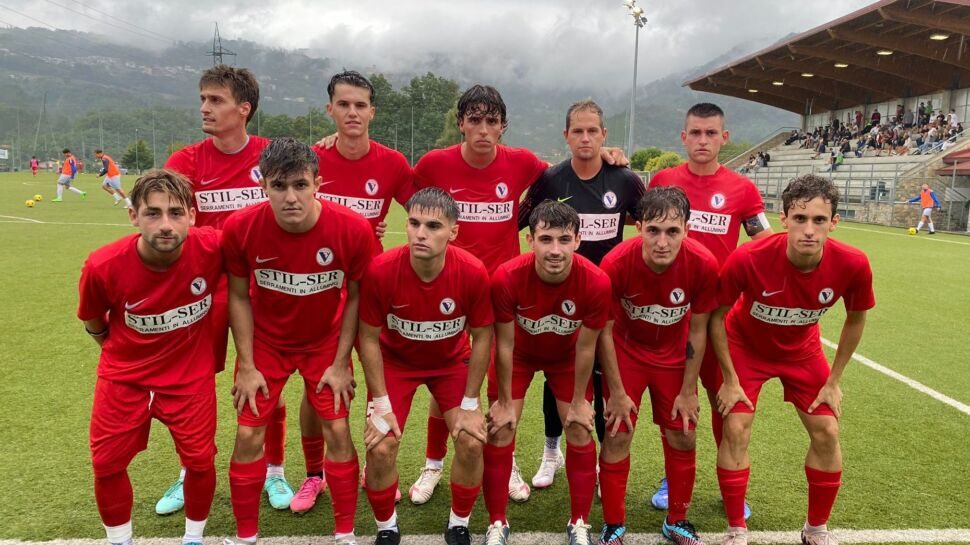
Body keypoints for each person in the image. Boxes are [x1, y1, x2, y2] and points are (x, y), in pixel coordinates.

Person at [222, 138, 372, 545]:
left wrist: (341, 363)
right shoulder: (240, 227)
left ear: (318, 184)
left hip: (325, 341)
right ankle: (246, 536)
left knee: (338, 430)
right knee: (249, 433)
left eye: (300, 185)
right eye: (279, 186)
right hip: (266, 344)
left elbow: (356, 296)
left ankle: (344, 533)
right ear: (262, 186)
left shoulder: (352, 229)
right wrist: (247, 365)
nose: (291, 197)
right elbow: (238, 295)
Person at [161, 65, 296, 514]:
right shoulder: (186, 162)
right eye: (203, 99)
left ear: (244, 108)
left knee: (263, 385)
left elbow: (308, 183)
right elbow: (173, 225)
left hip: (264, 291)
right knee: (192, 386)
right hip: (201, 292)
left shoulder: (271, 155)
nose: (205, 107)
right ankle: (189, 471)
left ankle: (274, 472)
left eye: (216, 100)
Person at [712, 174, 875, 545]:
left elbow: (857, 317)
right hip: (746, 348)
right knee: (736, 427)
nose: (809, 230)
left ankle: (815, 529)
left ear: (834, 222)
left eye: (819, 220)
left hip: (802, 352)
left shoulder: (852, 263)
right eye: (800, 219)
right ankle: (737, 530)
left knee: (828, 431)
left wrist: (834, 381)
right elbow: (716, 315)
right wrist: (729, 377)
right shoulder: (749, 257)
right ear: (783, 218)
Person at [291, 70, 416, 513]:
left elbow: (425, 207)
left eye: (360, 105)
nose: (352, 113)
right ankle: (313, 474)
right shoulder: (313, 160)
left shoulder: (393, 163)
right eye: (343, 105)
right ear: (330, 109)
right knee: (317, 386)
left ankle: (375, 467)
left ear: (372, 112)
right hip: (321, 289)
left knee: (379, 380)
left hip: (372, 289)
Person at [78, 170, 222, 545]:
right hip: (124, 378)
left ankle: (194, 538)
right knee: (106, 464)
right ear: (133, 216)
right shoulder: (102, 265)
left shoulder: (213, 248)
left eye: (176, 213)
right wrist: (121, 353)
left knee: (200, 462)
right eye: (152, 213)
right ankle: (119, 540)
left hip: (189, 380)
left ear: (192, 215)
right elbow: (94, 320)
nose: (165, 225)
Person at [648, 102, 772, 516]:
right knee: (676, 404)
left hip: (721, 320)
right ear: (683, 138)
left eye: (711, 133)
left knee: (724, 402)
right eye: (695, 133)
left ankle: (729, 482)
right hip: (672, 316)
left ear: (725, 137)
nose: (703, 141)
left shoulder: (742, 188)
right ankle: (674, 478)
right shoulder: (663, 181)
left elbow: (763, 243)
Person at [517, 99, 644, 490]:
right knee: (556, 376)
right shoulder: (551, 180)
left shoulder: (625, 180)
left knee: (604, 377)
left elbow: (651, 223)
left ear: (605, 135)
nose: (586, 138)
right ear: (566, 136)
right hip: (557, 297)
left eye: (593, 131)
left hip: (607, 299)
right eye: (578, 131)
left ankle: (607, 460)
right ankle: (551, 452)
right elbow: (518, 219)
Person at [358, 187, 493, 545]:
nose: (421, 232)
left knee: (471, 441)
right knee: (381, 446)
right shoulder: (381, 270)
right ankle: (387, 528)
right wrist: (381, 405)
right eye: (415, 223)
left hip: (450, 363)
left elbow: (483, 337)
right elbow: (368, 338)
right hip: (396, 363)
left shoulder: (473, 272)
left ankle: (459, 523)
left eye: (433, 225)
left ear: (454, 231)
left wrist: (469, 404)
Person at [484, 200, 616, 545]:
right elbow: (505, 346)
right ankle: (497, 522)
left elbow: (588, 346)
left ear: (578, 240)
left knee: (579, 427)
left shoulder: (597, 282)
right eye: (545, 239)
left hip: (567, 358)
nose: (555, 250)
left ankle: (579, 523)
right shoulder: (506, 277)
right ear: (530, 240)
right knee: (500, 428)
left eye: (563, 239)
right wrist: (500, 402)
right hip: (520, 356)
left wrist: (578, 402)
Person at [597, 186, 719, 545]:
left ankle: (677, 520)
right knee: (618, 432)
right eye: (653, 230)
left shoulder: (702, 263)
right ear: (639, 228)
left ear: (687, 230)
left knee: (684, 432)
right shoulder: (616, 263)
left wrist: (687, 391)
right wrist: (617, 392)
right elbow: (604, 332)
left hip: (673, 357)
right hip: (627, 352)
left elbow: (698, 329)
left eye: (672, 231)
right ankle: (614, 525)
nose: (662, 242)